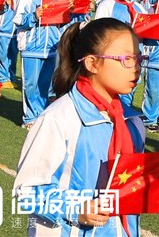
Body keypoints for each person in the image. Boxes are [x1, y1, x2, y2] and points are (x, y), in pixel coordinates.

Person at [13, 18, 145, 236]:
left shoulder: (132, 121)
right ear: (92, 63)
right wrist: (75, 209)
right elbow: (26, 191)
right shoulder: (60, 117)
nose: (136, 67)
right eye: (126, 59)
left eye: (139, 58)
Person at [13, 0, 61, 129]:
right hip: (31, 47)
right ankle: (29, 118)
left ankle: (41, 114)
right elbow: (17, 20)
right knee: (31, 84)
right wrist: (33, 16)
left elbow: (61, 22)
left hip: (51, 48)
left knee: (46, 84)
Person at [94, 0, 150, 108]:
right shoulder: (106, 5)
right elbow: (99, 33)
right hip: (115, 61)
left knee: (128, 96)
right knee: (112, 98)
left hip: (135, 60)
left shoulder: (138, 7)